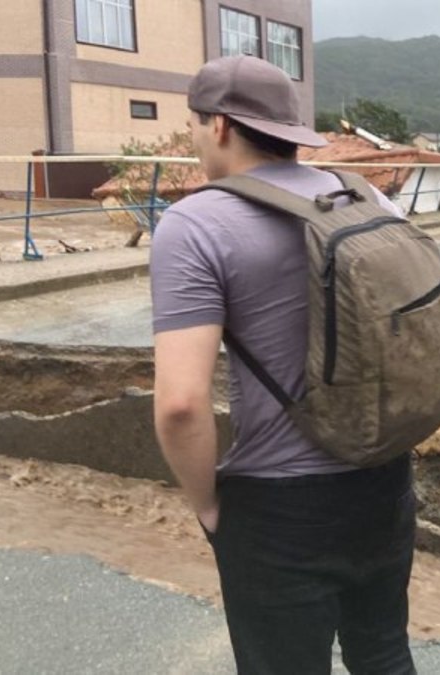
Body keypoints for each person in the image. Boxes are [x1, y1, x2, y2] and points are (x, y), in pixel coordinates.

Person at [150, 56, 417, 674]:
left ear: (218, 125)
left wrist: (210, 508)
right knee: (382, 654)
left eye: (193, 124)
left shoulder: (195, 223)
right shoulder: (363, 194)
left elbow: (182, 405)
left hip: (278, 506)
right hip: (382, 478)